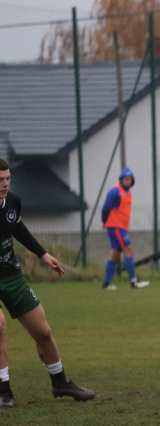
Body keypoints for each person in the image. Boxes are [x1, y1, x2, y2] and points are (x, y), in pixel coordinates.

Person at [0, 158, 96, 408]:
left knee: (43, 331)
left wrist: (43, 254)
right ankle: (4, 392)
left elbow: (17, 228)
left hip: (11, 276)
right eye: (0, 180)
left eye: (8, 178)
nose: (5, 184)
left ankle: (60, 383)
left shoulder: (12, 202)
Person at [100, 167, 149, 290]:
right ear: (121, 180)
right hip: (116, 227)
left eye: (130, 179)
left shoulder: (128, 192)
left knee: (115, 254)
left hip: (120, 227)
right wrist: (105, 221)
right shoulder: (115, 191)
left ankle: (106, 284)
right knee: (129, 250)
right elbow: (105, 208)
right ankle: (134, 281)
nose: (128, 181)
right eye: (125, 179)